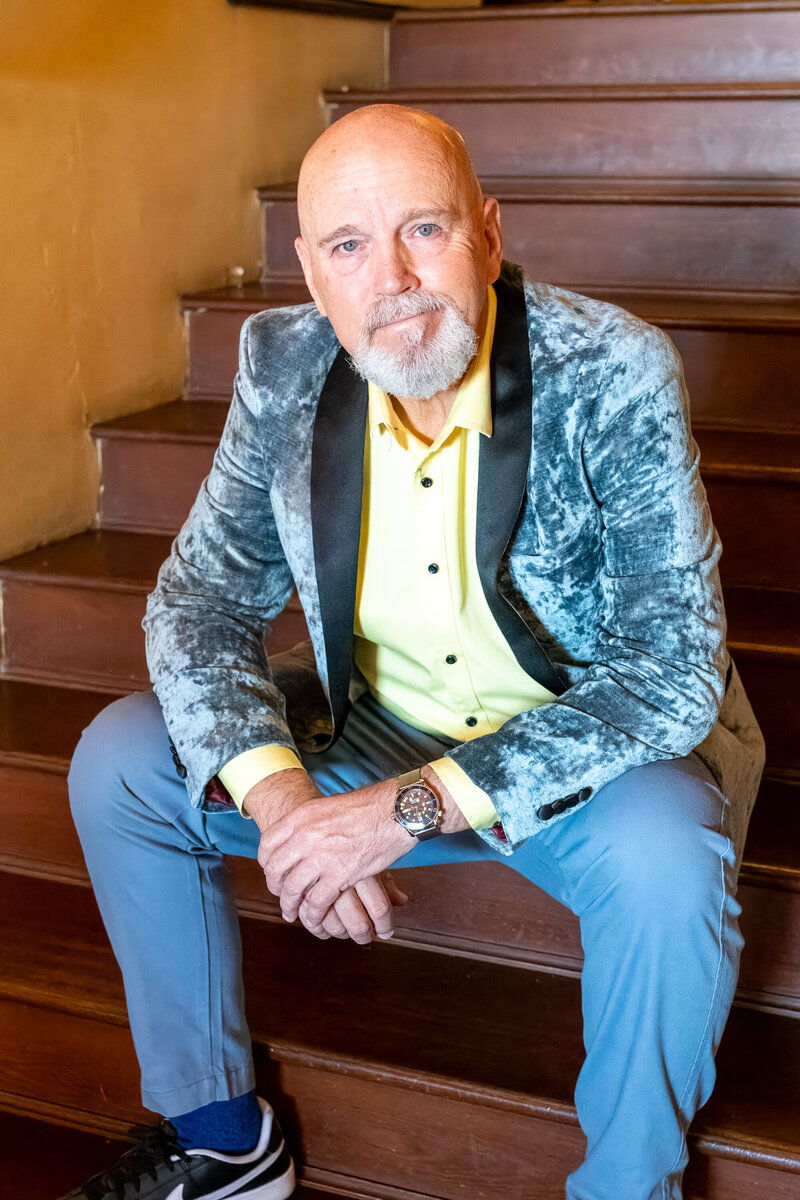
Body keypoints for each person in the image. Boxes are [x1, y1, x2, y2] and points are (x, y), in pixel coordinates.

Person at [65, 105, 765, 1200]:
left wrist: (401, 811)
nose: (390, 276)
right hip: (380, 724)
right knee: (122, 759)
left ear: (487, 233)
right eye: (347, 246)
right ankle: (224, 1139)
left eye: (424, 230)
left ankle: (629, 1186)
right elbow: (197, 599)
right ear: (309, 270)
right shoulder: (283, 364)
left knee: (669, 854)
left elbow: (668, 672)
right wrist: (288, 805)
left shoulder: (610, 369)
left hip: (582, 754)